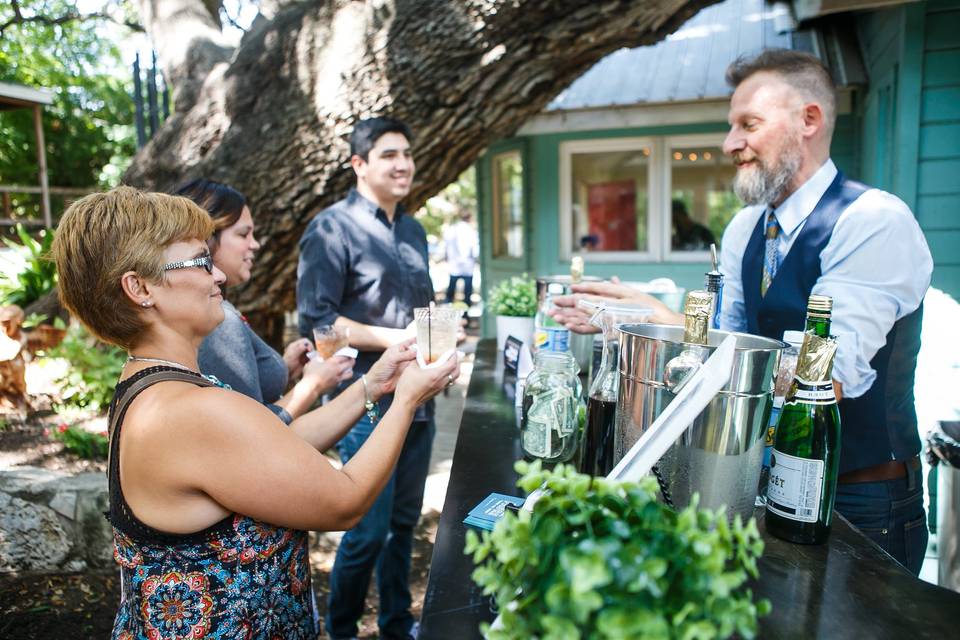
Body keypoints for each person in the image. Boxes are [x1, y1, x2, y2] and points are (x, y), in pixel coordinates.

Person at [551, 49, 932, 574]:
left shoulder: (874, 221)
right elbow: (724, 347)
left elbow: (824, 378)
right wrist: (643, 325)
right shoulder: (745, 228)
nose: (731, 144)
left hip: (862, 500)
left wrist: (668, 321)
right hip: (756, 481)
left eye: (748, 124)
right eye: (732, 127)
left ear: (809, 120)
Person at [51, 186, 460, 638]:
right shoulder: (191, 411)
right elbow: (344, 503)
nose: (218, 278)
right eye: (200, 262)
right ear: (140, 287)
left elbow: (279, 446)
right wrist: (406, 401)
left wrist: (376, 383)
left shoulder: (154, 385)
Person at [297, 117, 436, 640]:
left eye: (407, 152)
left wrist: (438, 335)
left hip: (420, 397)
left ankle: (399, 626)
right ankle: (342, 630)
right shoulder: (330, 229)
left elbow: (422, 314)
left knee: (403, 525)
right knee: (368, 529)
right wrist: (398, 338)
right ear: (359, 164)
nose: (403, 164)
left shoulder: (415, 229)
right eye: (388, 154)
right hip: (365, 400)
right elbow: (322, 322)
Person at [176, 178, 354, 423]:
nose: (255, 244)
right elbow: (254, 429)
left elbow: (238, 390)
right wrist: (313, 385)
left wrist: (284, 367)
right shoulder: (218, 320)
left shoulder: (217, 312)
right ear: (207, 239)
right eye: (243, 234)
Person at [443, 208, 479, 304]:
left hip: (455, 264)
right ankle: (465, 314)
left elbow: (446, 246)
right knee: (467, 291)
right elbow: (475, 249)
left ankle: (448, 307)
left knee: (451, 289)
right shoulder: (471, 231)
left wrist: (447, 257)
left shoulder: (452, 229)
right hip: (467, 265)